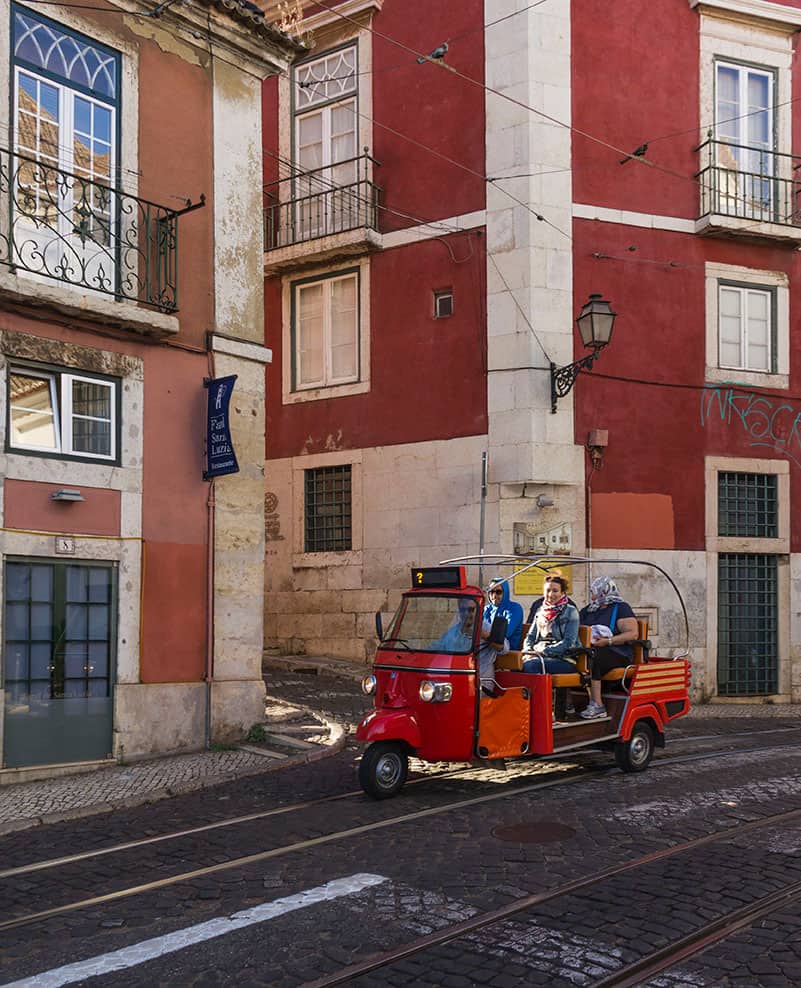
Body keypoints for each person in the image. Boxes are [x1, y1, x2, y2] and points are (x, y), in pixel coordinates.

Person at [578, 575, 639, 719]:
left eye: (593, 591)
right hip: (591, 648)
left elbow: (632, 634)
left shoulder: (621, 608)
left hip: (618, 652)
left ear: (603, 591)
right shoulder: (589, 609)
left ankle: (597, 705)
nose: (591, 595)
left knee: (595, 657)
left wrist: (608, 641)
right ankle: (566, 704)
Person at [431, 598, 508, 695]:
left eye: (471, 610)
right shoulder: (454, 631)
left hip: (480, 682)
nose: (467, 614)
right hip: (455, 680)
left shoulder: (486, 627)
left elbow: (504, 648)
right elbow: (437, 647)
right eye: (463, 610)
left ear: (478, 610)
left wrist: (483, 635)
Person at [521, 574, 580, 675]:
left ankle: (536, 691)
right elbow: (530, 636)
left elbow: (569, 642)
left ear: (562, 592)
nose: (551, 594)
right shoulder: (540, 611)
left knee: (531, 666)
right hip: (539, 655)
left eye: (555, 591)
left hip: (564, 658)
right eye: (547, 590)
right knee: (516, 666)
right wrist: (528, 652)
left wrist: (545, 651)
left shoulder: (571, 611)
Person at [483, 578, 524, 650]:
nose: (494, 595)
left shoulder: (514, 609)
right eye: (491, 592)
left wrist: (482, 634)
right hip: (486, 649)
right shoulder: (486, 609)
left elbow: (505, 634)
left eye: (498, 592)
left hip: (508, 652)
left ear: (505, 592)